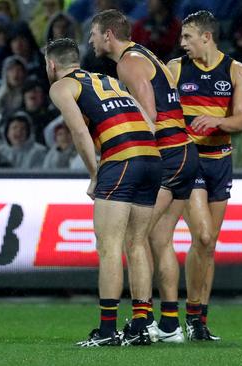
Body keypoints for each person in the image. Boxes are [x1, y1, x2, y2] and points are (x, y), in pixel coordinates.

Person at [90, 9, 200, 343]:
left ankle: (143, 321)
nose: (91, 40)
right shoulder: (146, 54)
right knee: (159, 239)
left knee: (134, 238)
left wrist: (136, 150)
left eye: (93, 34)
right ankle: (169, 325)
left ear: (109, 34)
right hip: (184, 152)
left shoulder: (128, 62)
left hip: (166, 154)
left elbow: (148, 114)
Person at [45, 38, 161, 347]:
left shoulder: (61, 87)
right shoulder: (108, 80)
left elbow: (79, 132)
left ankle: (108, 331)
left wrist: (96, 174)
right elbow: (150, 124)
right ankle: (140, 325)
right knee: (136, 244)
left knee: (109, 247)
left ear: (52, 65)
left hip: (121, 160)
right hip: (151, 158)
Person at [167, 10, 242, 341]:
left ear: (206, 37)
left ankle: (198, 320)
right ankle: (189, 313)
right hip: (190, 160)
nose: (182, 43)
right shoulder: (175, 68)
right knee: (201, 236)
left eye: (187, 37)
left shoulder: (236, 71)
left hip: (221, 159)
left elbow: (241, 120)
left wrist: (217, 121)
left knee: (209, 243)